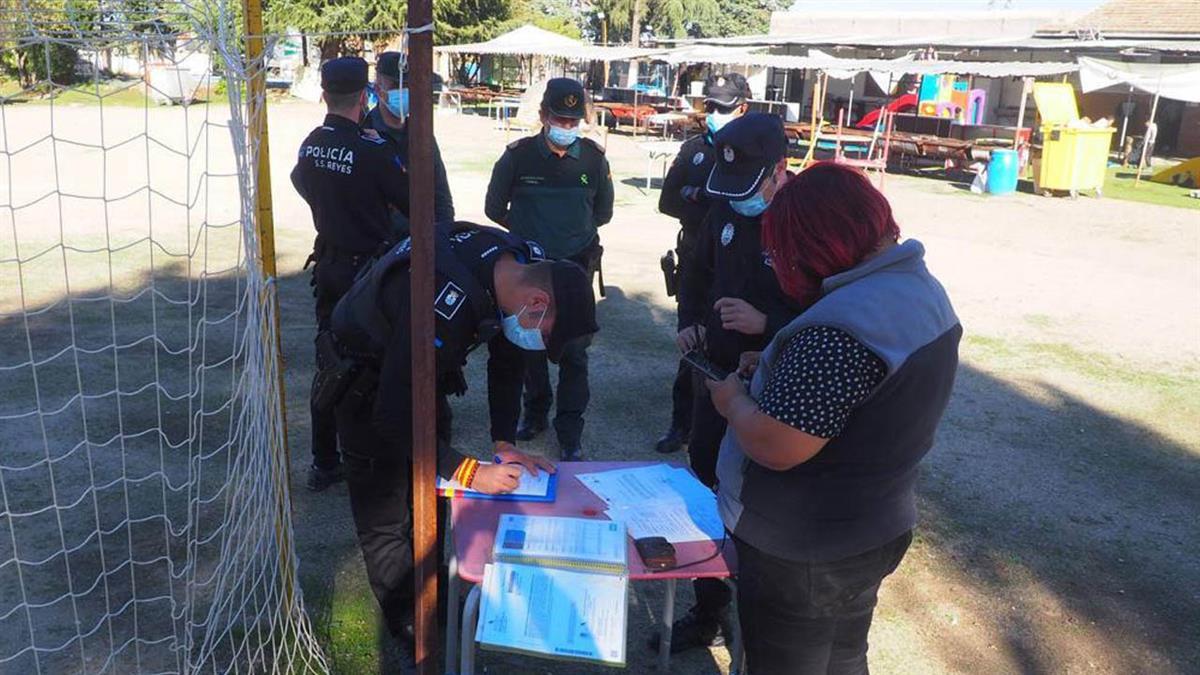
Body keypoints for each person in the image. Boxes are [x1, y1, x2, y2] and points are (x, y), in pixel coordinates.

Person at [707, 163, 962, 674]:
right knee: (844, 656)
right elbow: (864, 395)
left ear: (816, 243)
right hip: (873, 525)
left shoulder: (841, 328)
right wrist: (777, 367)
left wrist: (733, 402)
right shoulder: (916, 287)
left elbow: (779, 445)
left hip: (805, 548)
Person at [325, 221, 598, 650]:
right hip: (367, 383)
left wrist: (503, 443)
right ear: (537, 302)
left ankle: (434, 604)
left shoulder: (514, 264)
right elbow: (392, 415)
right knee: (388, 519)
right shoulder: (438, 300)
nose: (539, 342)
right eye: (545, 333)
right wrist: (469, 471)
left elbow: (508, 359)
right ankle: (411, 633)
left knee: (429, 503)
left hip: (418, 377)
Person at [663, 112, 803, 653]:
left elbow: (829, 308)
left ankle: (760, 622)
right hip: (716, 375)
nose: (739, 200)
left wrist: (768, 324)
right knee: (704, 483)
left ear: (780, 169)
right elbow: (696, 273)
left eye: (749, 186)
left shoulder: (807, 217)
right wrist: (690, 321)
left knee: (760, 503)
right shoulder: (726, 204)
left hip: (776, 386)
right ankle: (707, 608)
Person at [291, 56, 411, 492]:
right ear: (365, 97)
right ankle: (374, 456)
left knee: (330, 359)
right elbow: (412, 200)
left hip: (329, 265)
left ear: (325, 94)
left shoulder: (311, 144)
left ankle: (324, 460)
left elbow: (301, 182)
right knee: (377, 362)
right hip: (368, 273)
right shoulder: (373, 149)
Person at [484, 77, 614, 461]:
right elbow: (494, 208)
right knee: (530, 348)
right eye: (560, 119)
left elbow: (603, 212)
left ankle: (570, 432)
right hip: (531, 269)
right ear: (543, 115)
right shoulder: (517, 156)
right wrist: (529, 237)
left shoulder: (593, 159)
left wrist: (569, 236)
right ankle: (535, 411)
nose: (567, 127)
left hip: (575, 269)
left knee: (574, 351)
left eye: (574, 121)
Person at [655, 73, 751, 455]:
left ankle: (733, 422)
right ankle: (681, 423)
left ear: (742, 108)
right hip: (695, 258)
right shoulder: (693, 149)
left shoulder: (752, 151)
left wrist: (698, 195)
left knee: (734, 348)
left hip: (737, 266)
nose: (713, 113)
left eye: (722, 108)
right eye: (709, 106)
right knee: (691, 344)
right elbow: (667, 201)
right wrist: (708, 201)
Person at [363, 51, 455, 230]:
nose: (405, 91)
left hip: (421, 240)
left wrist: (445, 236)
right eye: (397, 85)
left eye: (410, 85)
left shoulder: (422, 134)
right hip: (380, 241)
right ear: (378, 88)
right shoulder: (364, 132)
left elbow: (441, 197)